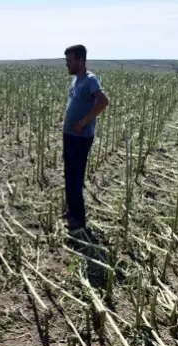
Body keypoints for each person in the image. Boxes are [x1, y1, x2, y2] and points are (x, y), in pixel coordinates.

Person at [62, 44, 109, 231]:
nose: (67, 65)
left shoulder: (90, 80)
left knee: (76, 175)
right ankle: (71, 210)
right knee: (69, 173)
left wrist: (84, 121)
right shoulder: (75, 80)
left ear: (81, 61)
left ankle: (79, 219)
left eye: (70, 61)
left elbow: (103, 102)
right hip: (70, 135)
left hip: (81, 138)